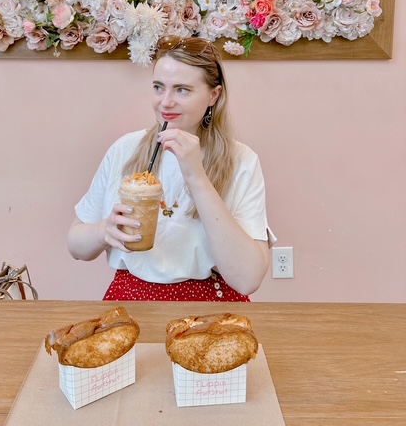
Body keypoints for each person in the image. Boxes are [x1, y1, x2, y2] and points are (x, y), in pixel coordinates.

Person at [67, 36, 274, 301]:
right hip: (131, 298)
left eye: (182, 90)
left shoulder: (242, 160)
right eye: (158, 87)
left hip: (212, 304)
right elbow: (76, 246)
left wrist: (196, 176)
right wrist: (103, 231)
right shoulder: (125, 149)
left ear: (213, 95)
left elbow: (247, 279)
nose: (165, 102)